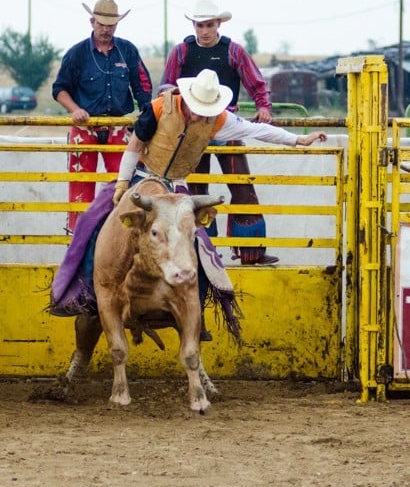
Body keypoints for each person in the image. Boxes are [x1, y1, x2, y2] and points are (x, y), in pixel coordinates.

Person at [51, 69, 327, 340]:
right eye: (196, 109)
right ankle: (87, 294)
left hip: (176, 189)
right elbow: (134, 146)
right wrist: (122, 183)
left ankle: (195, 312)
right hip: (140, 178)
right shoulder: (161, 107)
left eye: (205, 111)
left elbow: (256, 129)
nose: (198, 116)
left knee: (202, 250)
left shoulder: (218, 120)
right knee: (93, 222)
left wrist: (297, 140)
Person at [161, 0, 277, 265]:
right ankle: (201, 251)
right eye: (200, 25)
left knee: (241, 186)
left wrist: (264, 107)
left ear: (218, 25)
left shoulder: (233, 52)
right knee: (197, 190)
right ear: (194, 25)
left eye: (209, 25)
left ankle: (251, 252)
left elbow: (256, 83)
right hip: (193, 127)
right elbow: (165, 86)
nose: (204, 30)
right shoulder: (181, 52)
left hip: (226, 122)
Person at [51, 0, 152, 232]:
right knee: (80, 184)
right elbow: (59, 88)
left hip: (118, 125)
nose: (106, 29)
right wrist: (75, 109)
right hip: (84, 128)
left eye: (111, 25)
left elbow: (143, 85)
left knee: (122, 182)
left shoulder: (127, 50)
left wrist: (145, 112)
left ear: (117, 25)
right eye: (102, 24)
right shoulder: (77, 53)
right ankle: (78, 237)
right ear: (92, 22)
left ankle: (119, 235)